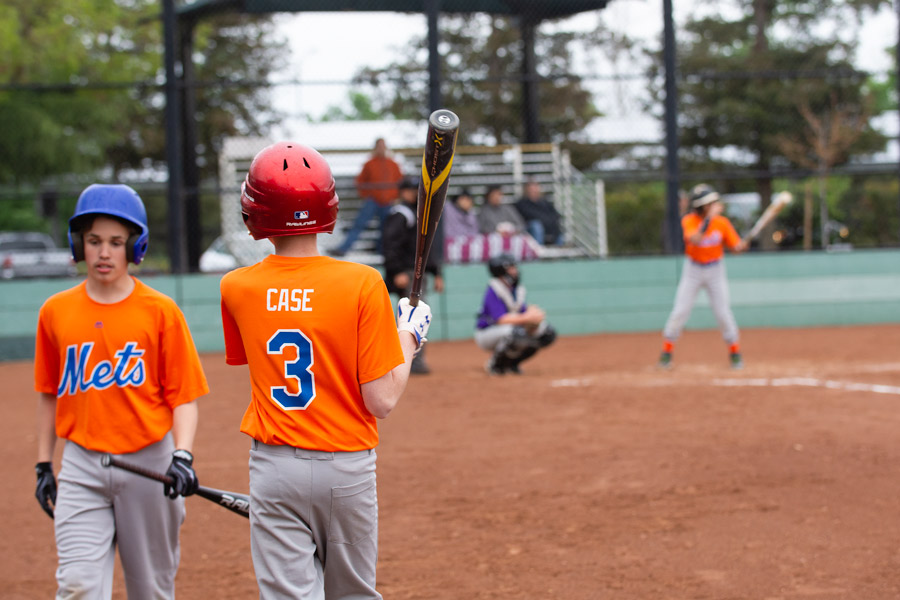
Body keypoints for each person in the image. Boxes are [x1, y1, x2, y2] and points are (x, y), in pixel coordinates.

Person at [219, 142, 432, 599]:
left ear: (255, 210)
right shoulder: (361, 283)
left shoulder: (235, 287)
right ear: (328, 206)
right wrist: (409, 335)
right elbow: (382, 399)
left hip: (274, 470)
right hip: (347, 469)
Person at [33, 184, 209, 598]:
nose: (104, 252)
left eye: (116, 242)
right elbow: (48, 393)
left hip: (150, 463)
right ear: (79, 245)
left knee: (151, 590)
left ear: (136, 245)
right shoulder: (56, 311)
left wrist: (181, 455)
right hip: (82, 466)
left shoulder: (160, 311)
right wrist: (44, 464)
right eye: (93, 241)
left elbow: (183, 397)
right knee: (77, 587)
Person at [658, 184, 749, 370]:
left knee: (723, 312)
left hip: (716, 269)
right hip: (693, 270)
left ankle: (735, 353)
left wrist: (740, 247)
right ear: (702, 206)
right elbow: (695, 239)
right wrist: (709, 219)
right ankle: (666, 354)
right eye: (711, 203)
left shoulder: (722, 222)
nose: (715, 205)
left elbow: (735, 247)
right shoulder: (689, 220)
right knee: (680, 311)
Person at [382, 177, 445, 375]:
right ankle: (408, 360)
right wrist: (396, 271)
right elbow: (390, 244)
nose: (412, 194)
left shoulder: (420, 213)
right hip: (407, 272)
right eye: (409, 190)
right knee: (413, 316)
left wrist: (436, 272)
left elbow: (429, 248)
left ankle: (404, 359)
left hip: (418, 272)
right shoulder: (402, 213)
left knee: (412, 315)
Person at [475, 254, 556, 375]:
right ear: (501, 271)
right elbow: (500, 319)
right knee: (517, 332)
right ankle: (495, 364)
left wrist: (532, 317)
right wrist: (526, 317)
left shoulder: (515, 289)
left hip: (508, 330)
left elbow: (521, 312)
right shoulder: (494, 289)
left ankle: (512, 363)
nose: (515, 271)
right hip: (486, 333)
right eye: (511, 268)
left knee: (546, 332)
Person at [334, 137, 404, 256]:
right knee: (359, 224)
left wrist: (395, 197)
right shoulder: (369, 164)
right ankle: (343, 249)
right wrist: (368, 195)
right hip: (373, 201)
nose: (381, 149)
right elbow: (360, 182)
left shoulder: (393, 164)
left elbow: (401, 182)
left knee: (386, 228)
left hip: (388, 202)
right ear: (375, 148)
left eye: (383, 146)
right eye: (379, 146)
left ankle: (382, 251)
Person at [514, 179, 564, 245]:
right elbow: (530, 216)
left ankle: (559, 250)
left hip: (548, 227)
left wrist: (550, 220)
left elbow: (556, 214)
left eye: (535, 188)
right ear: (526, 190)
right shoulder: (522, 203)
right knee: (536, 225)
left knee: (557, 227)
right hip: (529, 231)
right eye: (531, 189)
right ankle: (538, 251)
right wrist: (547, 220)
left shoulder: (544, 202)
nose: (534, 190)